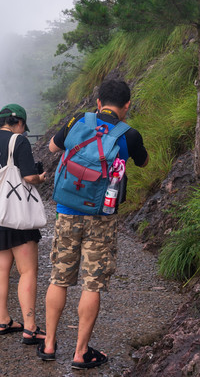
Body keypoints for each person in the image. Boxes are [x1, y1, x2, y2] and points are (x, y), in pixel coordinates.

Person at [38, 79, 148, 369]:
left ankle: (48, 345)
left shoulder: (77, 120)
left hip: (67, 209)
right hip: (102, 215)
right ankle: (80, 352)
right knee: (92, 283)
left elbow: (52, 147)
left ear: (98, 103)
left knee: (58, 277)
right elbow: (144, 162)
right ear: (126, 107)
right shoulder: (130, 134)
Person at [0, 103, 48, 345]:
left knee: (0, 269)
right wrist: (41, 177)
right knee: (27, 271)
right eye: (23, 127)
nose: (24, 131)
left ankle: (4, 320)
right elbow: (29, 177)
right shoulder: (19, 141)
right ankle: (30, 327)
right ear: (18, 123)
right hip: (18, 217)